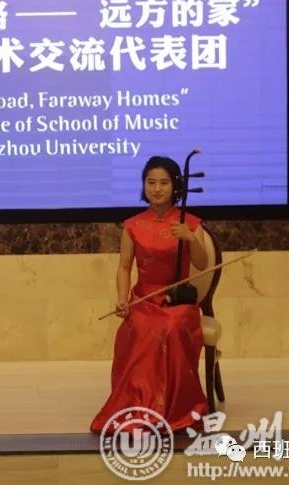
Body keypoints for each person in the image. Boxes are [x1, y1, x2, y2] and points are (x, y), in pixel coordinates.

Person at [91, 156, 209, 433]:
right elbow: (123, 267)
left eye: (164, 183)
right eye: (151, 182)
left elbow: (203, 264)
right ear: (143, 185)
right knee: (141, 327)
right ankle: (137, 405)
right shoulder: (133, 225)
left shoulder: (191, 223)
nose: (157, 189)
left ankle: (176, 409)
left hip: (177, 302)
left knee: (171, 326)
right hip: (144, 299)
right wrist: (123, 299)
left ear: (175, 186)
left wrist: (191, 238)